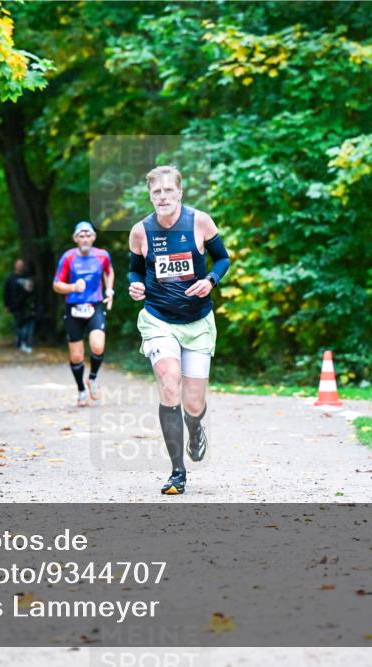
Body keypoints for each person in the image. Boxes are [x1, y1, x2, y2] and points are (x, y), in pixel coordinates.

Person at [127, 165, 230, 495]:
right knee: (168, 383)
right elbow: (133, 272)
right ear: (150, 196)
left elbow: (223, 259)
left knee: (194, 402)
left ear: (180, 193)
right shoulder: (140, 231)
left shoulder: (199, 221)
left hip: (198, 322)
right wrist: (135, 287)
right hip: (158, 319)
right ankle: (177, 472)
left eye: (168, 191)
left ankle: (196, 426)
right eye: (157, 192)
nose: (163, 197)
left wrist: (210, 280)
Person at [53, 221, 115, 406]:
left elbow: (109, 271)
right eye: (81, 236)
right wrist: (73, 287)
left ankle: (92, 378)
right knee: (77, 356)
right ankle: (81, 389)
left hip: (94, 306)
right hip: (73, 309)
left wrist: (109, 291)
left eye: (89, 235)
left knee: (98, 346)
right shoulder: (68, 257)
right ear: (75, 239)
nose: (85, 238)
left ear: (94, 237)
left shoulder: (102, 255)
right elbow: (56, 284)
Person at [3, 259, 35, 353]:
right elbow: (6, 292)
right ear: (15, 266)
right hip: (15, 306)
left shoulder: (28, 277)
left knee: (28, 326)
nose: (20, 266)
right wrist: (6, 305)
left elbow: (31, 290)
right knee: (19, 326)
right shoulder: (10, 278)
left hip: (28, 306)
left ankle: (25, 343)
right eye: (18, 264)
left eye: (21, 264)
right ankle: (20, 342)